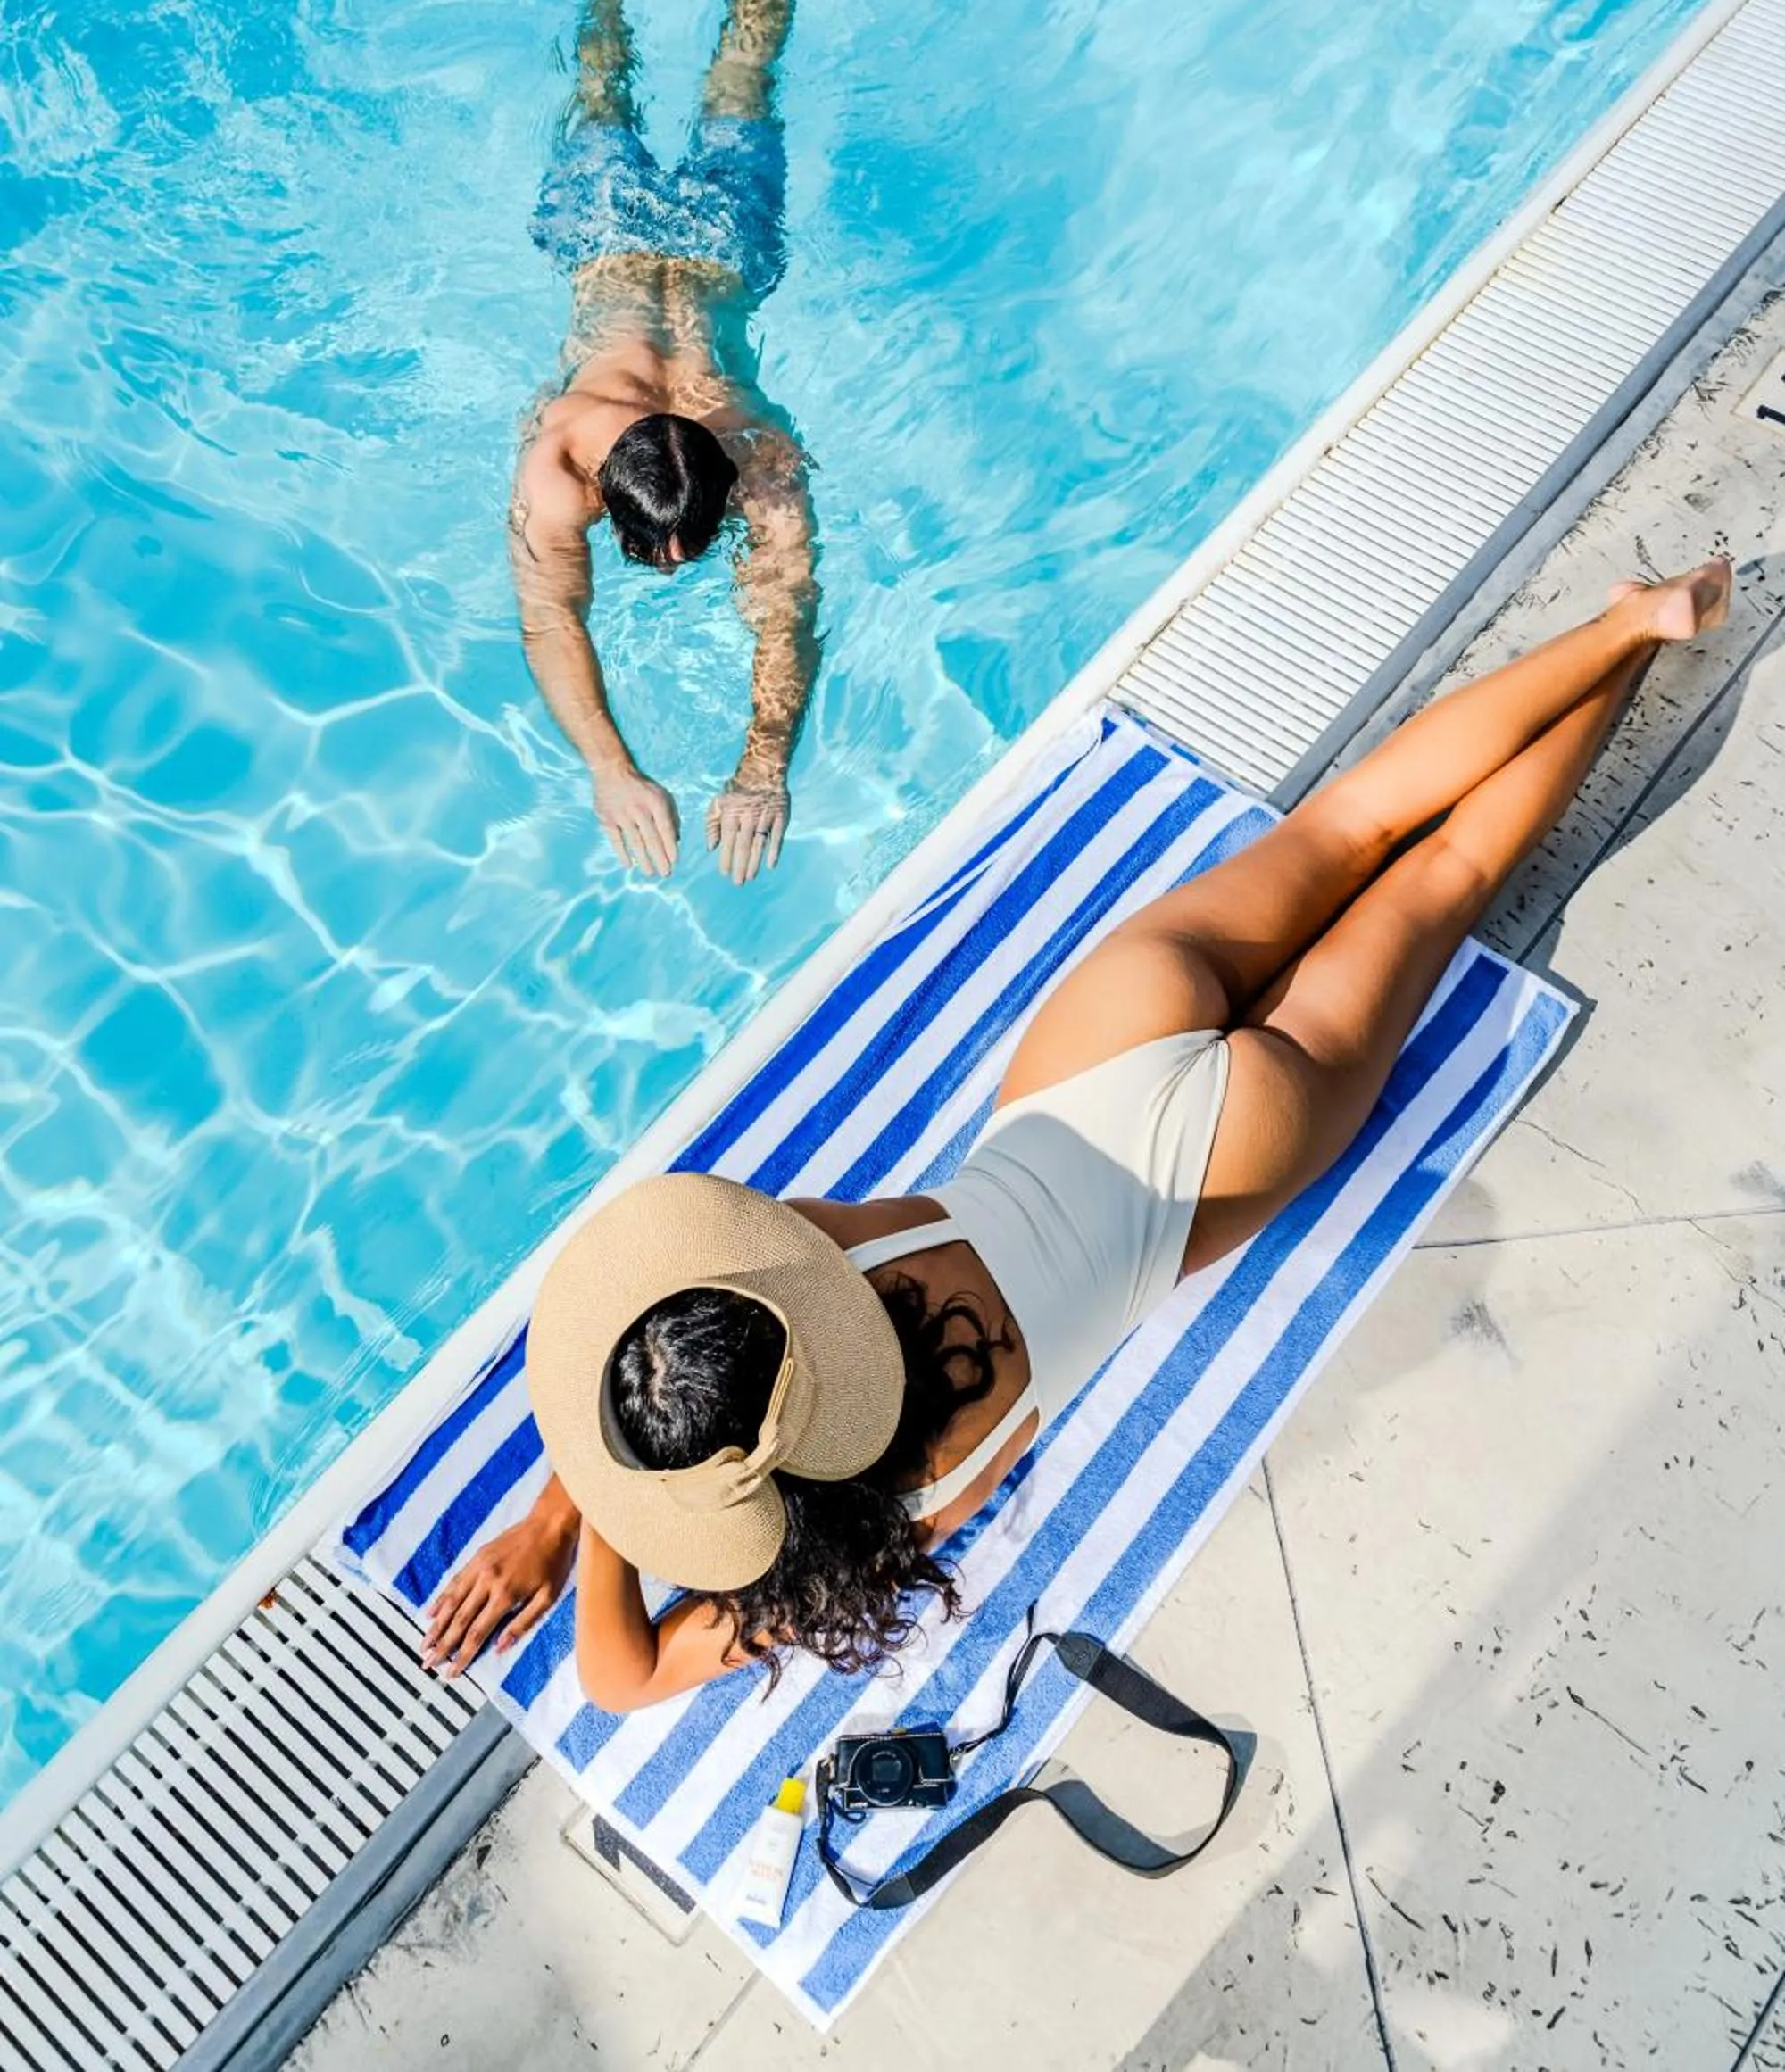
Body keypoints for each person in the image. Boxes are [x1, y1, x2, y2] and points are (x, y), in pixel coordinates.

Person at [422, 559, 1732, 1697]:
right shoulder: (808, 1255)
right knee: (1357, 825)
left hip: (1227, 1154)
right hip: (1094, 1051)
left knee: (1447, 881)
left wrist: (596, 1520)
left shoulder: (895, 1513)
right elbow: (684, 1293)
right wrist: (571, 1481)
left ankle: (1633, 660)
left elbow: (624, 1677)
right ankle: (1622, 621)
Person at [511, 0, 818, 886]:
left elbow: (553, 610)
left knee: (696, 85)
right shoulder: (751, 451)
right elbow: (782, 602)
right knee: (731, 77)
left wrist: (750, 767)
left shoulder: (565, 458)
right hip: (637, 246)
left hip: (682, 249)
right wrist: (736, 765)